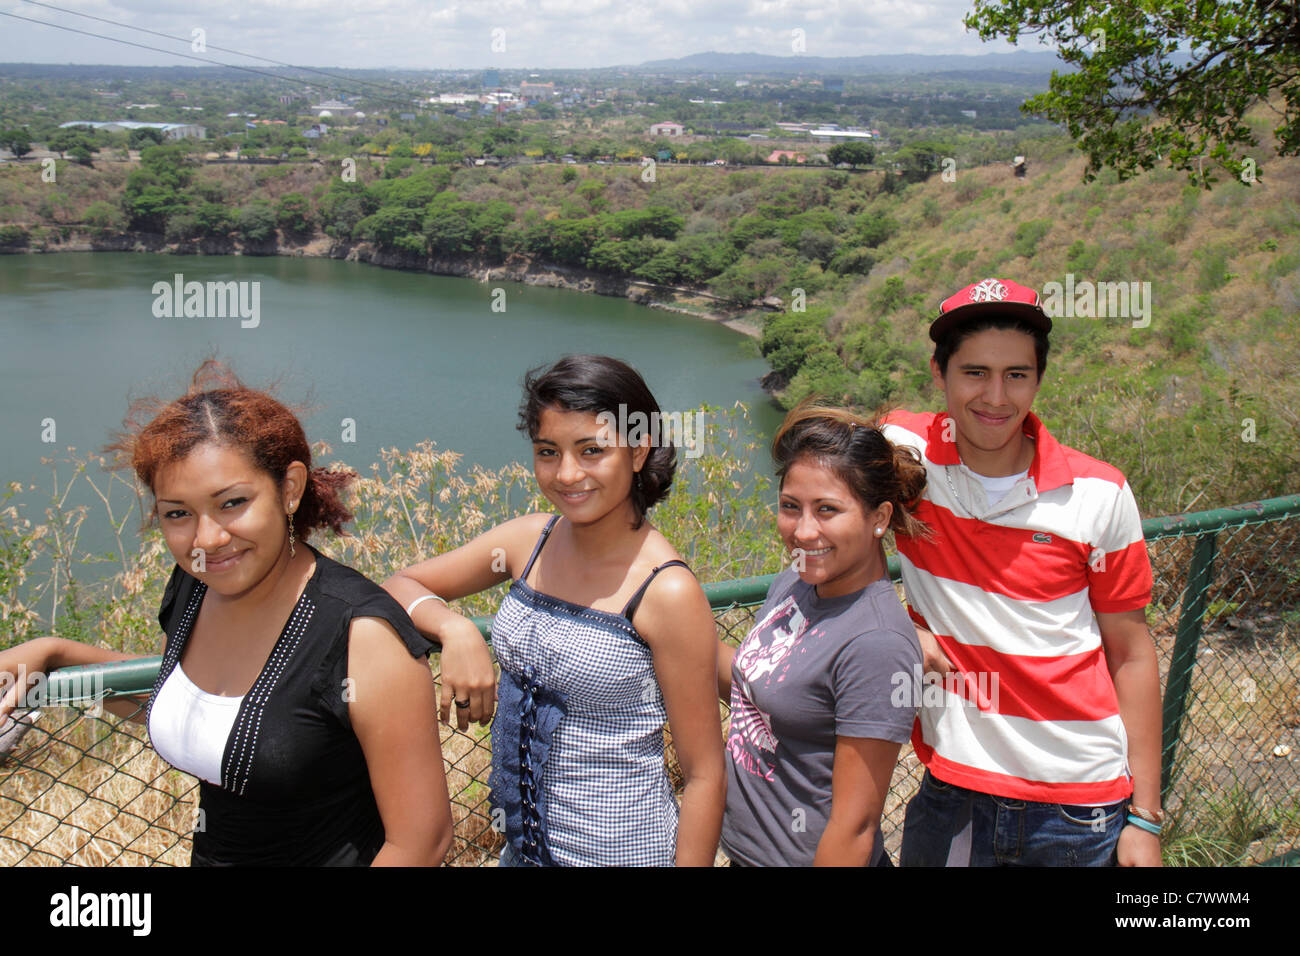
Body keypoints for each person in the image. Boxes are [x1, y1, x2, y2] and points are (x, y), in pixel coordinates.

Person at [0, 362, 453, 866]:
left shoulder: (359, 633)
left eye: (232, 503)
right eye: (178, 513)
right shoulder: (194, 589)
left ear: (290, 488)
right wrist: (57, 654)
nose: (206, 539)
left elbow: (422, 842)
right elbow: (194, 707)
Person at [384, 354, 725, 867]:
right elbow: (399, 584)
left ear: (637, 451)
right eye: (549, 452)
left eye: (592, 450)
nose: (567, 474)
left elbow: (703, 774)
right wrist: (455, 630)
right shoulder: (530, 541)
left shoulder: (665, 590)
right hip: (523, 853)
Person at [882, 277, 1163, 867]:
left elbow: (1131, 653)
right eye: (974, 372)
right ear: (940, 372)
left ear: (1038, 379)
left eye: (1017, 375)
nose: (995, 397)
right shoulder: (903, 449)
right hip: (952, 790)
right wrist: (888, 621)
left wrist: (1145, 817)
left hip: (1076, 808)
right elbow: (817, 526)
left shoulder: (1098, 494)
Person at [717, 403, 925, 867]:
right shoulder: (795, 581)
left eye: (827, 510)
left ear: (879, 517)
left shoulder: (876, 644)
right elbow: (762, 683)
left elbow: (855, 827)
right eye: (791, 507)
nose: (804, 531)